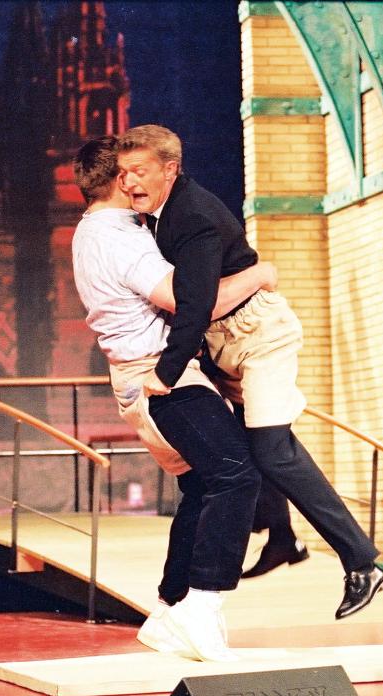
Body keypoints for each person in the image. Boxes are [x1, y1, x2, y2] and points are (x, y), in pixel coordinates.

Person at [116, 124, 383, 619]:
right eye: (122, 173)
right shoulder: (154, 216)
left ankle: (362, 563)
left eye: (138, 171)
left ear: (170, 169)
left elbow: (196, 303)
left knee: (272, 449)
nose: (129, 182)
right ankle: (282, 538)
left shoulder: (193, 216)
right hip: (223, 344)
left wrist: (168, 372)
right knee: (245, 446)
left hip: (260, 337)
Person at [72, 136, 275, 661]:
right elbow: (191, 303)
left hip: (140, 375)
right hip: (161, 377)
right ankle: (201, 607)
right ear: (118, 179)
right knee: (237, 475)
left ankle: (169, 610)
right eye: (130, 172)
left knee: (204, 485)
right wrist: (258, 275)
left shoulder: (92, 230)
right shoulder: (120, 237)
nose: (138, 182)